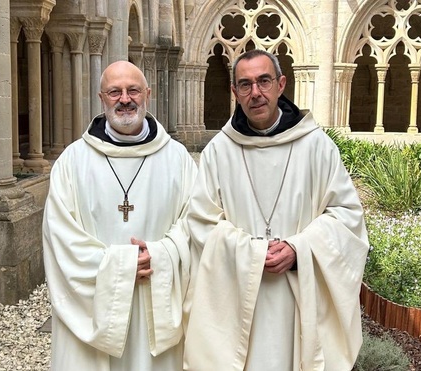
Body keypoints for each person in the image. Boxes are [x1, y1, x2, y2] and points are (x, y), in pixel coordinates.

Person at [183, 49, 369, 370]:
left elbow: (347, 218)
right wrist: (252, 254)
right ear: (235, 93)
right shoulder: (219, 152)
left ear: (281, 84)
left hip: (299, 298)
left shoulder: (316, 146)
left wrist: (299, 249)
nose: (256, 93)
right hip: (238, 301)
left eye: (264, 81)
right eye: (245, 85)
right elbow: (200, 225)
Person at [43, 60, 197, 371]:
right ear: (101, 98)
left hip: (156, 296)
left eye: (133, 90)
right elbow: (59, 235)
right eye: (115, 91)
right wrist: (123, 265)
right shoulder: (72, 161)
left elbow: (195, 223)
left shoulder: (177, 158)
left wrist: (161, 254)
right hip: (94, 304)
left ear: (147, 95)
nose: (125, 99)